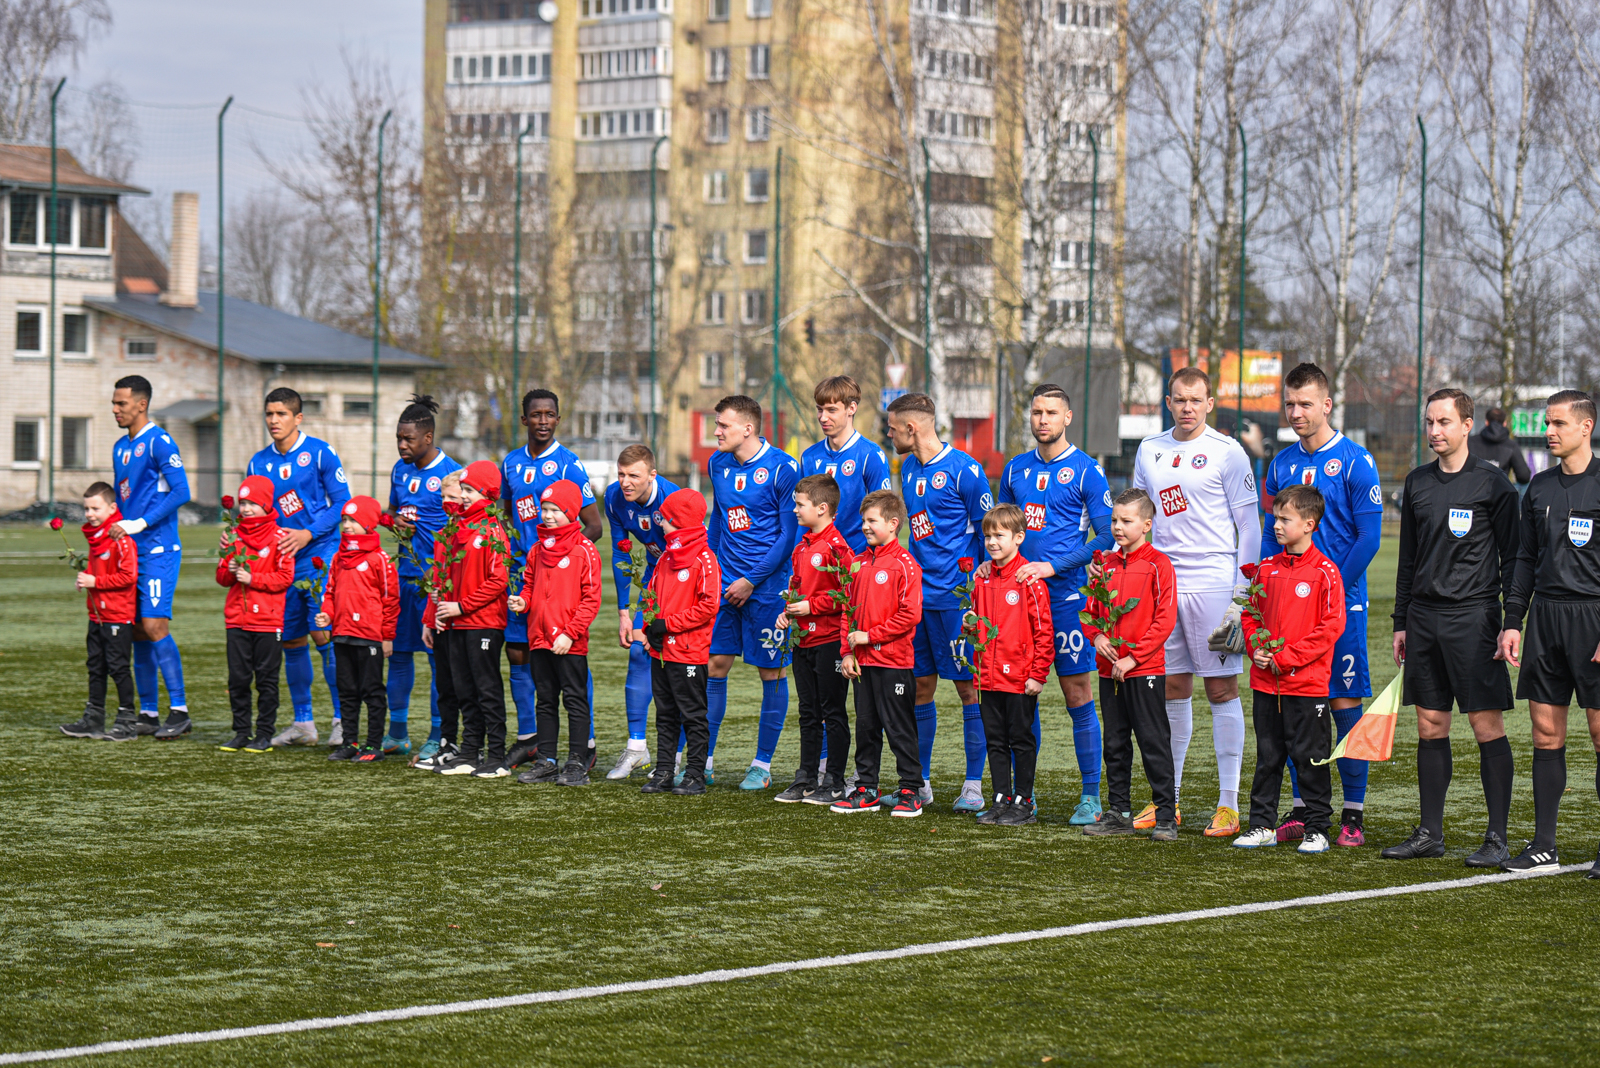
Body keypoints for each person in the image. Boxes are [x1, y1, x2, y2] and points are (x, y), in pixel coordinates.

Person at [1382, 389, 1519, 867]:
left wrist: (1510, 621)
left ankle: (1497, 837)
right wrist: (1401, 621)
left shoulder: (1493, 484)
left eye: (1444, 422)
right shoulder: (1417, 482)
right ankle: (1430, 834)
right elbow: (1408, 560)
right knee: (1430, 724)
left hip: (1474, 618)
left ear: (1466, 425)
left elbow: (1513, 558)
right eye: (1429, 422)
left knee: (1485, 725)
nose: (1435, 430)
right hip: (1423, 619)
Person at [1129, 367, 1261, 838]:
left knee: (1221, 688)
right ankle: (1170, 801)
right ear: (1168, 402)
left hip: (1214, 582)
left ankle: (1228, 805)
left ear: (1210, 404)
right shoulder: (1149, 449)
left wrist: (1242, 596)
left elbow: (1250, 527)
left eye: (1195, 400)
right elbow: (1139, 516)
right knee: (1172, 686)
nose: (1187, 407)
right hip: (1163, 581)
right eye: (1179, 399)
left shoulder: (1228, 451)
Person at [1261, 362, 1383, 846]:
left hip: (1342, 607)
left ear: (1327, 405)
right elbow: (1271, 536)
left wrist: (1327, 590)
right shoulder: (1280, 464)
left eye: (1305, 404)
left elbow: (1368, 538)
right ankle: (1303, 810)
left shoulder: (1355, 461)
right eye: (1289, 404)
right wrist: (1261, 594)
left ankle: (1353, 814)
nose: (1296, 413)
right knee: (1296, 708)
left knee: (1344, 703)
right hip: (1288, 612)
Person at [995, 383, 1114, 824]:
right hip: (1018, 598)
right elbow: (1000, 527)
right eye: (1036, 412)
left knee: (1076, 691)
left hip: (1066, 598)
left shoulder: (1087, 471)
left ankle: (1090, 797)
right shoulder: (1015, 469)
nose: (1042, 419)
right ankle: (1022, 796)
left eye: (1050, 412)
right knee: (1020, 695)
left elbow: (1106, 536)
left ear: (1067, 418)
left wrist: (1052, 566)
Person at [1496, 390, 1600, 874]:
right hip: (1546, 618)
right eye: (1546, 424)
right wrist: (1512, 621)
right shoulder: (1538, 487)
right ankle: (1544, 847)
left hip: (1593, 618)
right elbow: (1524, 559)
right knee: (1544, 733)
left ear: (1586, 426)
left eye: (1558, 423)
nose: (1548, 432)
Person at [887, 392, 991, 809]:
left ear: (911, 428)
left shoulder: (966, 470)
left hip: (956, 600)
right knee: (920, 688)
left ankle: (973, 786)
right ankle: (921, 783)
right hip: (919, 600)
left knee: (969, 689)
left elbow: (987, 534)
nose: (889, 434)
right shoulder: (909, 468)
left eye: (893, 428)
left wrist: (976, 595)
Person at [1232, 485, 1346, 854]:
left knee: (1310, 759)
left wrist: (1285, 657)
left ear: (1309, 524)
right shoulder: (1265, 569)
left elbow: (1330, 628)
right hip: (1266, 685)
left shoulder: (1326, 573)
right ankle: (1261, 825)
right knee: (1268, 758)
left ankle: (1317, 828)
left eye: (1285, 519)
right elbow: (1250, 615)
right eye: (1275, 517)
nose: (1276, 525)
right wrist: (1257, 649)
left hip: (1307, 687)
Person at [500, 389, 601, 771]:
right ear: (524, 419)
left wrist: (562, 563)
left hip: (558, 579)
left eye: (549, 414)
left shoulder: (568, 464)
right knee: (519, 653)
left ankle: (585, 743)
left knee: (569, 658)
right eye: (536, 414)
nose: (543, 421)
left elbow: (594, 526)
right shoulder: (510, 462)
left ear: (558, 419)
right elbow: (508, 516)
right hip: (524, 577)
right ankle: (531, 740)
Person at [247, 387, 351, 746]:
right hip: (281, 563)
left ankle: (342, 719)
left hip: (319, 555)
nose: (274, 420)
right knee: (290, 639)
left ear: (298, 417)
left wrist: (308, 533)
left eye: (281, 414)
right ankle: (304, 724)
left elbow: (343, 503)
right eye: (269, 414)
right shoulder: (258, 462)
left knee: (324, 635)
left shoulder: (320, 452)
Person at [706, 394, 800, 790]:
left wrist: (752, 580)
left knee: (771, 671)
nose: (716, 432)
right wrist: (711, 569)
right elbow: (718, 519)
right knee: (714, 665)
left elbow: (788, 536)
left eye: (723, 425)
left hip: (768, 590)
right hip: (725, 585)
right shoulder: (717, 463)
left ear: (748, 428)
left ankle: (761, 765)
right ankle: (702, 759)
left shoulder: (783, 468)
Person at [1080, 489, 1179, 841]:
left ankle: (1166, 816)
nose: (1118, 527)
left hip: (1144, 670)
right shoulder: (1103, 566)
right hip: (1109, 671)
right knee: (1115, 743)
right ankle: (1118, 812)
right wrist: (1097, 637)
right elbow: (1090, 612)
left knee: (1153, 742)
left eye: (1126, 521)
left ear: (1147, 525)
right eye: (1114, 520)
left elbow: (1165, 619)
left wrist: (1134, 657)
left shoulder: (1159, 565)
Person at [829, 490, 926, 817]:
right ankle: (867, 789)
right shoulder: (857, 563)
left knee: (899, 728)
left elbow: (910, 615)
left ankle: (911, 791)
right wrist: (847, 652)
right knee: (866, 728)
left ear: (893, 524)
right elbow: (848, 611)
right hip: (862, 664)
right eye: (863, 520)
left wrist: (870, 637)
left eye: (872, 520)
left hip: (894, 663)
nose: (865, 526)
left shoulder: (905, 564)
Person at [109, 375, 193, 739]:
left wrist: (140, 523)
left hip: (159, 548)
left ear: (141, 404)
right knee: (138, 630)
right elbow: (123, 499)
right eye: (114, 404)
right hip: (131, 550)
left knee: (155, 624)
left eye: (122, 404)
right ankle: (148, 712)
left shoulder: (160, 441)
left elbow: (182, 491)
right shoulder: (120, 447)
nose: (116, 410)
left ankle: (180, 710)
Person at [508, 481, 603, 787]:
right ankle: (547, 760)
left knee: (575, 701)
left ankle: (576, 762)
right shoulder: (537, 549)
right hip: (539, 638)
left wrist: (570, 634)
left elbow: (591, 599)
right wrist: (523, 602)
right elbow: (529, 584)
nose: (547, 516)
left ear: (571, 512)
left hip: (568, 643)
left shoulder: (584, 550)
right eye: (544, 509)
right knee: (545, 700)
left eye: (555, 510)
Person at [382, 394, 461, 760]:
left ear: (428, 437)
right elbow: (391, 511)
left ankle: (437, 735)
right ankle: (397, 733)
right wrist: (394, 522)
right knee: (398, 655)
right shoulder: (399, 471)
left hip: (437, 583)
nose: (402, 445)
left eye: (408, 439)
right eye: (399, 438)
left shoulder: (453, 475)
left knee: (436, 660)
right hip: (404, 577)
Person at [966, 503, 1053, 827]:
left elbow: (1044, 631)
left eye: (999, 536)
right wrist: (969, 624)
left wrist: (1037, 674)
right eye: (988, 536)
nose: (992, 542)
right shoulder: (981, 579)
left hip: (1018, 678)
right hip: (987, 678)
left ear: (1019, 537)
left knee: (1021, 739)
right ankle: (1001, 799)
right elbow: (977, 625)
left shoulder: (1029, 580)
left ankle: (1024, 801)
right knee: (995, 740)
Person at [772, 474, 855, 805]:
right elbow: (797, 589)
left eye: (800, 504)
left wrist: (812, 606)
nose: (794, 510)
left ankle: (834, 780)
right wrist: (788, 612)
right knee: (807, 711)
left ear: (822, 508)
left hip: (829, 641)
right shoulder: (801, 547)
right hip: (802, 641)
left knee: (832, 711)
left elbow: (849, 596)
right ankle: (805, 777)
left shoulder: (838, 548)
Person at [602, 445, 680, 779]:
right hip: (652, 577)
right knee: (638, 652)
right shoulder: (613, 497)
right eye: (621, 474)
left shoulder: (673, 499)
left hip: (683, 578)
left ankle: (676, 756)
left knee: (678, 664)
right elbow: (621, 553)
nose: (625, 482)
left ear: (652, 475)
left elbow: (690, 552)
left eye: (633, 475)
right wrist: (624, 611)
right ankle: (637, 748)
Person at [638, 488, 722, 797]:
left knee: (692, 715)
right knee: (664, 714)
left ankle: (695, 774)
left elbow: (709, 606)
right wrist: (650, 628)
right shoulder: (665, 558)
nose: (660, 523)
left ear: (679, 521)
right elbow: (651, 596)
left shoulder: (704, 559)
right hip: (661, 651)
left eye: (665, 519)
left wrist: (669, 624)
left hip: (688, 652)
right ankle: (664, 771)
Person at [433, 461, 512, 777]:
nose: (463, 496)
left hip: (483, 623)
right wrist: (441, 605)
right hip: (458, 622)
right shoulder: (458, 529)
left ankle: (496, 756)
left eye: (469, 490)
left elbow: (498, 580)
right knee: (464, 689)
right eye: (463, 490)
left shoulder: (493, 529)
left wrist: (461, 606)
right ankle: (469, 752)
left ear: (487, 493)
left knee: (486, 689)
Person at [215, 476, 297, 754]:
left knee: (266, 680)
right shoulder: (232, 536)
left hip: (268, 622)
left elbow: (285, 578)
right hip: (237, 620)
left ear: (266, 504)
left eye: (252, 503)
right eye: (243, 503)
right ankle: (241, 732)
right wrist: (228, 566)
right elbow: (222, 579)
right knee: (238, 679)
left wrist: (253, 578)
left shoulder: (281, 538)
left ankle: (263, 734)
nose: (246, 509)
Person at [315, 496, 401, 763]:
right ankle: (349, 742)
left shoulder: (380, 559)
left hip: (370, 636)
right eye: (345, 520)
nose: (347, 525)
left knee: (372, 691)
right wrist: (327, 615)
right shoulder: (339, 557)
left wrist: (387, 636)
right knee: (346, 690)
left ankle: (374, 745)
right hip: (342, 634)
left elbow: (391, 600)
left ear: (369, 524)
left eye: (353, 520)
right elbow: (330, 592)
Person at [60, 482, 139, 740]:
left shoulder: (121, 539)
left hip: (117, 615)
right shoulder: (96, 538)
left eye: (95, 508)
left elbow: (128, 576)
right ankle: (93, 718)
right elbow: (99, 571)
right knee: (95, 666)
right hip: (96, 615)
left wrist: (96, 582)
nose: (90, 514)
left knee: (118, 667)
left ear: (112, 508)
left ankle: (127, 720)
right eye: (86, 509)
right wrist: (85, 577)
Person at [802, 376, 892, 555]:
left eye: (831, 410)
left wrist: (863, 559)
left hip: (857, 558)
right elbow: (802, 515)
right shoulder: (809, 457)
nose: (823, 417)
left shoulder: (870, 455)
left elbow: (883, 516)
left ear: (852, 408)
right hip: (816, 559)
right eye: (819, 410)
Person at [416, 470, 467, 772]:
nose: (448, 502)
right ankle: (448, 744)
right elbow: (437, 578)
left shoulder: (478, 530)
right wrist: (428, 618)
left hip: (466, 620)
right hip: (442, 619)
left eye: (454, 497)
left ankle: (473, 747)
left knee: (468, 687)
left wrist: (460, 606)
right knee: (445, 686)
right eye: (444, 497)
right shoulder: (445, 531)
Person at [1468, 407, 1532, 484]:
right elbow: (1524, 476)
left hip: (1473, 488)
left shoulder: (1470, 442)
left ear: (1486, 422)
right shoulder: (1511, 446)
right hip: (1499, 489)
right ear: (1504, 423)